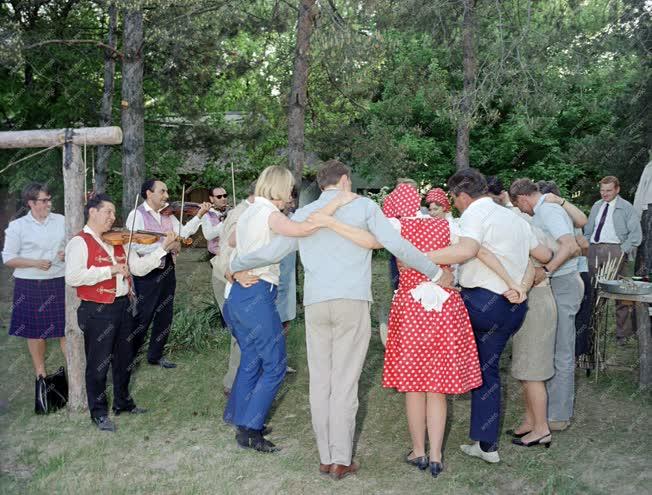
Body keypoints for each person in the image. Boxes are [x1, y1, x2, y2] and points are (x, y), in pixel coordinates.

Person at [231, 160, 451, 479]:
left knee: (321, 381)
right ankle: (341, 459)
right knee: (345, 383)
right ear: (345, 180)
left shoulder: (305, 213)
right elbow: (396, 245)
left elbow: (271, 252)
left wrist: (237, 262)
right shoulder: (363, 207)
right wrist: (434, 271)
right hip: (351, 301)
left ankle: (325, 457)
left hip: (317, 304)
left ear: (321, 186)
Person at [223, 165, 352, 454]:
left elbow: (231, 241)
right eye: (290, 188)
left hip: (237, 298)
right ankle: (251, 429)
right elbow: (301, 230)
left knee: (252, 359)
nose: (291, 194)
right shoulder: (269, 213)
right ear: (280, 187)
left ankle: (239, 418)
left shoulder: (248, 212)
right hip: (256, 294)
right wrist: (333, 207)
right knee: (275, 365)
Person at [426, 169, 553, 462]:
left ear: (462, 195)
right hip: (513, 308)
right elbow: (543, 256)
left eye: (454, 199)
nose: (456, 205)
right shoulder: (516, 218)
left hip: (483, 302)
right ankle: (486, 445)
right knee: (487, 371)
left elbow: (467, 250)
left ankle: (433, 419)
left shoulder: (474, 213)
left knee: (438, 347)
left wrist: (423, 256)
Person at [379, 184, 483, 478]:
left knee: (413, 386)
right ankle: (436, 456)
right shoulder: (450, 226)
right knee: (436, 385)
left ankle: (419, 451)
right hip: (445, 307)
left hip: (411, 307)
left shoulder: (396, 227)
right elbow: (467, 252)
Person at [65, 194, 180, 431]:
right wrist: (110, 270)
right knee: (98, 363)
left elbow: (137, 268)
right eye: (108, 212)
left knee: (125, 358)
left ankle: (123, 402)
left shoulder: (118, 241)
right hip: (97, 309)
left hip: (123, 305)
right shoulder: (79, 242)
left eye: (114, 213)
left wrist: (163, 250)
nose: (113, 217)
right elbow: (73, 277)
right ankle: (98, 413)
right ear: (93, 212)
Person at [510, 178, 583, 433]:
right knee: (549, 349)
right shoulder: (544, 210)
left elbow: (571, 245)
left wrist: (547, 270)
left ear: (522, 198)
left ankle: (559, 416)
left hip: (564, 283)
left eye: (519, 206)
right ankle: (544, 412)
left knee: (562, 350)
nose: (521, 210)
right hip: (557, 283)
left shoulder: (548, 210)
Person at [125, 179, 211, 369]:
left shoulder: (167, 214)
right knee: (143, 316)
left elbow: (183, 233)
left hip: (167, 269)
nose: (167, 196)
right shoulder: (136, 215)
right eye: (162, 191)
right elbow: (134, 245)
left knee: (165, 314)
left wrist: (199, 215)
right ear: (149, 193)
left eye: (166, 192)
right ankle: (128, 357)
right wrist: (163, 247)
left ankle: (155, 355)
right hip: (147, 271)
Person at [2, 183, 67, 411]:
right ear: (30, 203)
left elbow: (74, 242)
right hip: (30, 284)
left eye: (49, 199)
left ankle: (73, 373)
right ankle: (41, 375)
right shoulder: (17, 226)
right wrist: (35, 263)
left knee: (65, 328)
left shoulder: (61, 220)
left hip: (60, 280)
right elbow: (8, 258)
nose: (49, 204)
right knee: (36, 331)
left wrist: (65, 251)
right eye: (43, 200)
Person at [584, 176, 642, 343]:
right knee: (593, 291)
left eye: (608, 190)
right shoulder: (596, 205)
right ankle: (591, 332)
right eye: (602, 190)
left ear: (617, 189)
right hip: (594, 250)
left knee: (620, 293)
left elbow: (636, 235)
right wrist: (587, 245)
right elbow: (589, 229)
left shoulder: (626, 208)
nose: (605, 194)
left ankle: (622, 334)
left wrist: (621, 250)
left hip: (615, 249)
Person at [202, 186, 229, 316]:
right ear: (211, 199)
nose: (223, 198)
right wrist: (223, 223)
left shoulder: (231, 211)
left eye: (225, 195)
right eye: (219, 197)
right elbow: (208, 235)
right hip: (216, 256)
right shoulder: (206, 214)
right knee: (221, 290)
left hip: (232, 255)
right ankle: (225, 321)